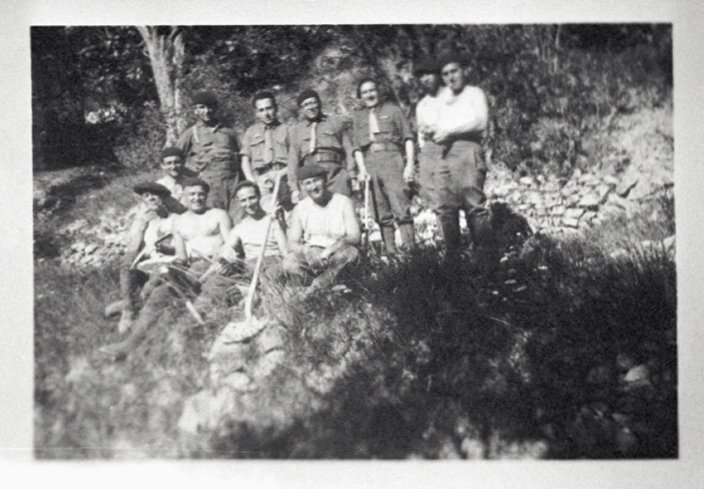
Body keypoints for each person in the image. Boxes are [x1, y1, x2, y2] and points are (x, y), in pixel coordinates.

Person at [100, 178, 234, 360]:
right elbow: (181, 256)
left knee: (201, 301)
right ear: (185, 196)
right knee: (159, 294)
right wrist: (170, 267)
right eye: (192, 194)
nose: (197, 198)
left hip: (216, 266)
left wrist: (222, 260)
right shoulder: (179, 221)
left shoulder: (219, 214)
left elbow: (230, 245)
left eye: (201, 194)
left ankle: (165, 344)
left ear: (206, 195)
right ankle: (130, 344)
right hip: (193, 267)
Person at [432, 52, 496, 258]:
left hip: (469, 150)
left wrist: (451, 131)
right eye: (445, 74)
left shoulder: (474, 94)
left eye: (454, 71)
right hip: (445, 155)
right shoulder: (443, 99)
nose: (450, 77)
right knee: (445, 208)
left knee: (473, 206)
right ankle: (454, 259)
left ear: (463, 71)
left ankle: (487, 257)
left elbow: (480, 122)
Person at [104, 181, 179, 334]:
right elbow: (133, 248)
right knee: (127, 262)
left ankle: (133, 304)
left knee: (156, 276)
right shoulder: (144, 219)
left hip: (168, 262)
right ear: (143, 201)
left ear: (163, 197)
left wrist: (162, 249)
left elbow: (178, 248)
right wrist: (142, 224)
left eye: (155, 195)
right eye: (146, 196)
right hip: (147, 261)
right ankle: (129, 310)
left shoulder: (174, 218)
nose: (151, 199)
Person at [351, 78, 416, 255]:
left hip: (392, 159)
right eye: (365, 92)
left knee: (400, 205)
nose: (369, 95)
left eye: (372, 90)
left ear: (379, 91)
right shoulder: (358, 117)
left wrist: (409, 163)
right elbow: (356, 148)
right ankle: (391, 252)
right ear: (360, 96)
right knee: (379, 210)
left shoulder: (394, 110)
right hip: (370, 162)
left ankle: (412, 253)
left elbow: (408, 138)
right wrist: (362, 170)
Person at [283, 163, 360, 295]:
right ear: (302, 186)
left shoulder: (343, 202)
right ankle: (328, 286)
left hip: (337, 254)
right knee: (289, 261)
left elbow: (354, 236)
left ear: (326, 179)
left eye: (317, 180)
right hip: (312, 258)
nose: (313, 187)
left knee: (351, 253)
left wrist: (331, 249)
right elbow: (292, 243)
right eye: (308, 183)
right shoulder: (300, 208)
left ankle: (314, 289)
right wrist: (306, 250)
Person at [176, 91, 243, 222]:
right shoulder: (191, 133)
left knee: (237, 218)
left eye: (210, 107)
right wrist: (190, 179)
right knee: (214, 218)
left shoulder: (229, 132)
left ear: (216, 108)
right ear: (195, 110)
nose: (206, 111)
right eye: (202, 107)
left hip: (233, 181)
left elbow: (243, 157)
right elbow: (174, 158)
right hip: (209, 184)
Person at [288, 89, 356, 201]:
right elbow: (293, 161)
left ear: (319, 103)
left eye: (313, 103)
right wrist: (294, 188)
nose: (310, 107)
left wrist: (352, 174)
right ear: (301, 109)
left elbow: (349, 149)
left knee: (340, 208)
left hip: (336, 174)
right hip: (311, 177)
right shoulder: (296, 131)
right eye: (306, 105)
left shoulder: (335, 122)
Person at [213, 180, 287, 270]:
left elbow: (285, 252)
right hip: (251, 267)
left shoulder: (273, 219)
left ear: (259, 196)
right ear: (239, 202)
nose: (248, 204)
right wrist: (226, 255)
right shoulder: (240, 227)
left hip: (274, 264)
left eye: (252, 198)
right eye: (243, 200)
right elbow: (227, 247)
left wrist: (277, 221)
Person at [240, 92, 293, 216]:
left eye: (269, 108)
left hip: (284, 177)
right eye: (262, 110)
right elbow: (245, 161)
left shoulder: (288, 129)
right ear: (256, 113)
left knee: (289, 214)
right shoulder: (251, 132)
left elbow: (296, 159)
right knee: (268, 216)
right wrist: (252, 182)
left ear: (276, 108)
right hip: (261, 181)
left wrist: (281, 173)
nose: (266, 113)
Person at [413, 57, 447, 213]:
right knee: (430, 191)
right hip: (429, 150)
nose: (425, 79)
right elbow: (420, 133)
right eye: (421, 76)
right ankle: (448, 236)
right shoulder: (422, 105)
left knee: (457, 193)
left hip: (451, 147)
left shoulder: (452, 97)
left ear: (438, 75)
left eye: (428, 74)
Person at [156, 146, 197, 210]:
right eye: (169, 163)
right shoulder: (158, 186)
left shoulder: (193, 184)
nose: (173, 166)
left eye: (177, 162)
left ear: (183, 163)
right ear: (163, 165)